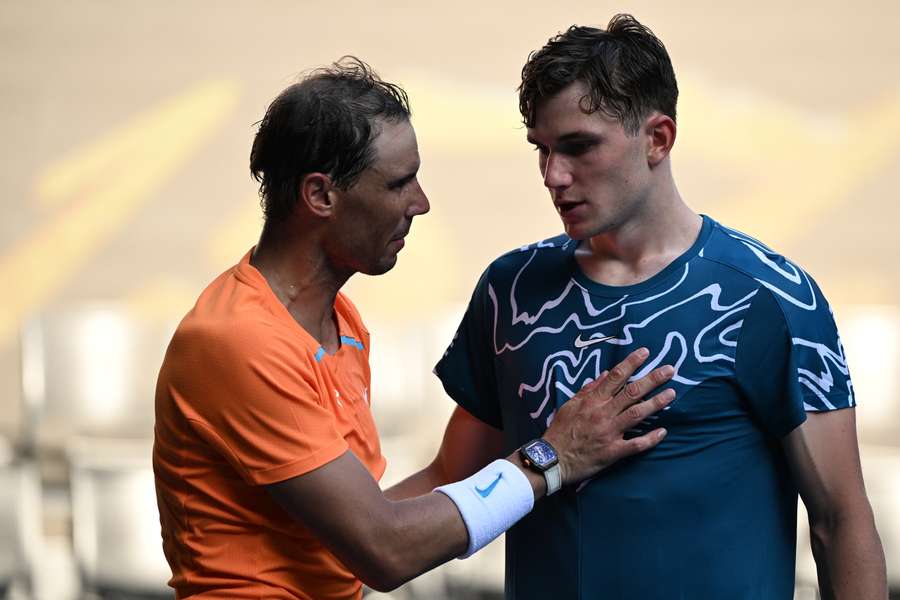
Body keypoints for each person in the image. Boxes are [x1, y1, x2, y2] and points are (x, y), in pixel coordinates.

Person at [152, 57, 676, 599]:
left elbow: (379, 518)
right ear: (321, 196)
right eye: (399, 183)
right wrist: (551, 458)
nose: (420, 204)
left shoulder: (339, 322)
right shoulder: (238, 340)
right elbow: (384, 550)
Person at [432, 14, 888, 600]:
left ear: (658, 138)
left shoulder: (771, 296)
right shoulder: (511, 289)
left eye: (578, 147)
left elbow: (839, 521)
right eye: (541, 150)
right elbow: (451, 481)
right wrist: (312, 547)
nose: (553, 175)